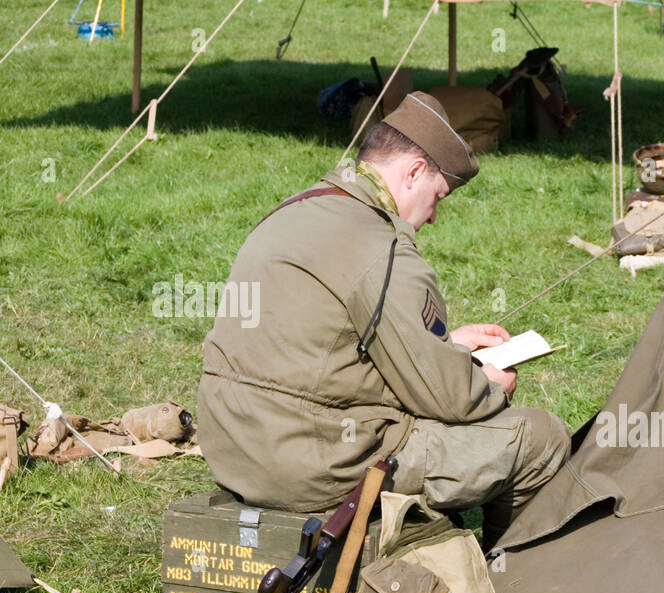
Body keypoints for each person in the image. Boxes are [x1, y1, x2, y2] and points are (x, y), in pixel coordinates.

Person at [198, 92, 569, 549]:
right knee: (540, 437)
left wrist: (447, 341)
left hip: (234, 449)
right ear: (413, 172)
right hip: (311, 467)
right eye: (438, 196)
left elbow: (320, 341)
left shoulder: (295, 210)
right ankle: (506, 587)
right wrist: (490, 382)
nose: (433, 217)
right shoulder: (384, 248)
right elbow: (450, 399)